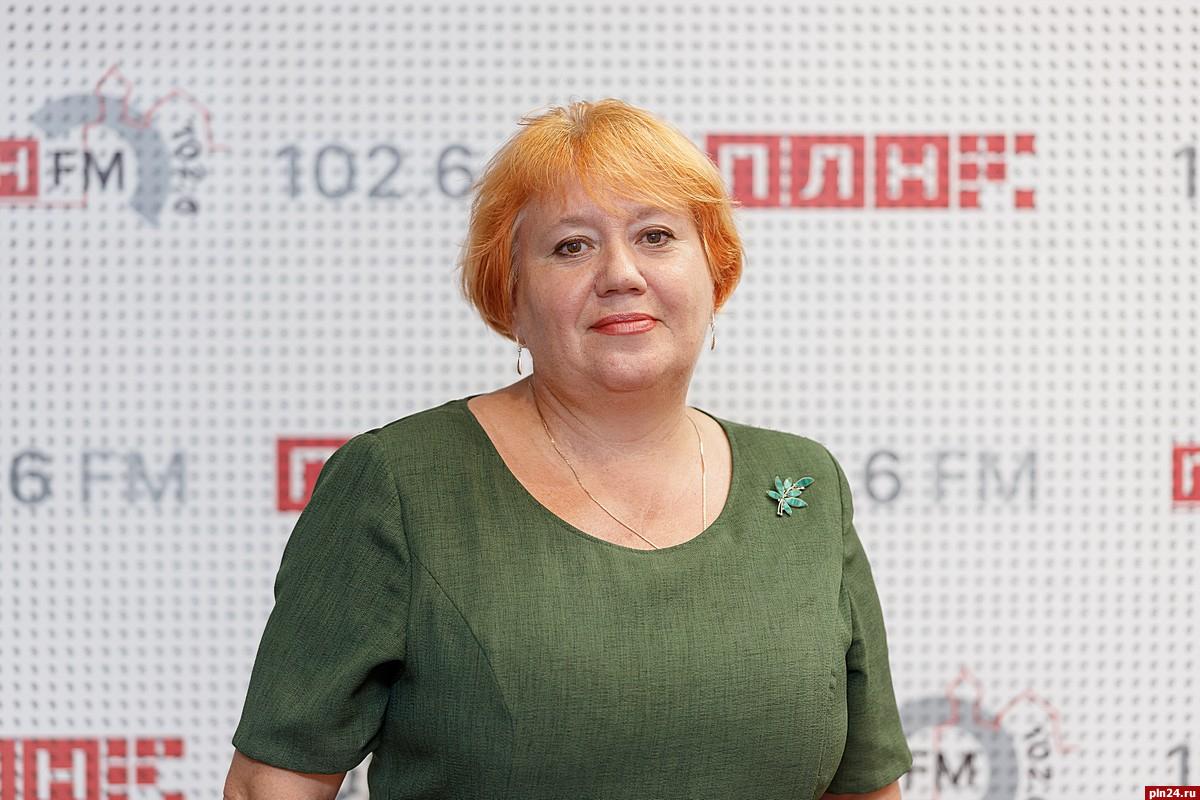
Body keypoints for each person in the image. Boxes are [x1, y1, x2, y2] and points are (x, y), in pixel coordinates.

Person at [223, 98, 913, 800]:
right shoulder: (398, 485)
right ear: (511, 295)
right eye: (571, 247)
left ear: (716, 271)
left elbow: (865, 789)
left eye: (655, 236)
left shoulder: (804, 482)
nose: (621, 274)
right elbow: (270, 786)